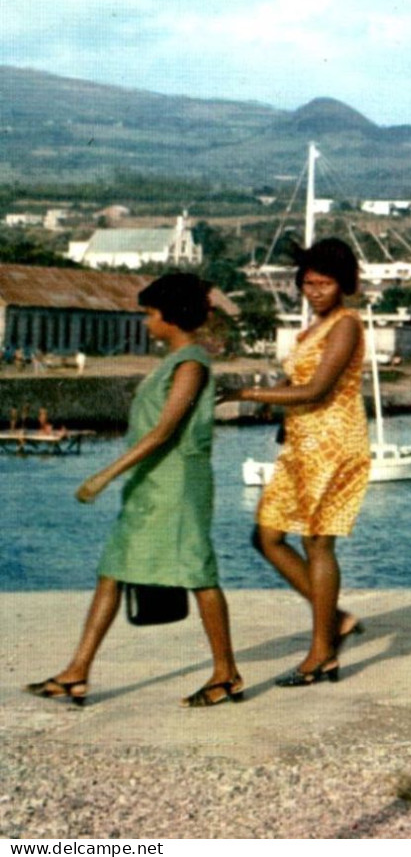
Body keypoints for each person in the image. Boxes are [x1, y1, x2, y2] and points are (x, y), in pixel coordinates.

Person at [25, 273, 242, 708]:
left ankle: (226, 674)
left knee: (196, 573)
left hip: (177, 485)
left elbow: (163, 432)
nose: (146, 322)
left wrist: (104, 475)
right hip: (151, 484)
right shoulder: (174, 362)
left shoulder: (191, 364)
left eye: (149, 314)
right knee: (114, 570)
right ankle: (76, 673)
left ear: (169, 316)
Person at [223, 239, 369, 686]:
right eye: (308, 284)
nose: (315, 292)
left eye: (324, 284)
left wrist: (249, 394)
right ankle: (337, 618)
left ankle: (321, 653)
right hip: (302, 443)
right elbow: (297, 379)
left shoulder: (345, 325)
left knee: (318, 543)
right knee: (266, 535)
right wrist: (280, 404)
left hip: (335, 442)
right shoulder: (314, 328)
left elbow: (316, 391)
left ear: (344, 284)